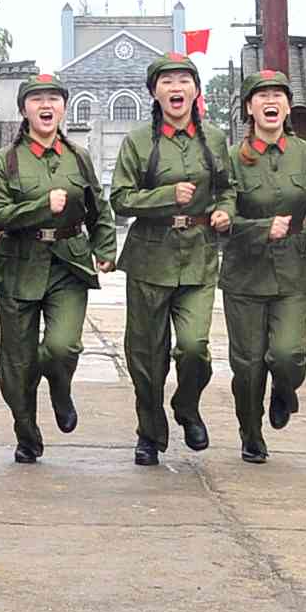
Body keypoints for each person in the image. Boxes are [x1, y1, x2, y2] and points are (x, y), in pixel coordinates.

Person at [0, 70, 116, 463]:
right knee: (17, 363)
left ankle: (60, 386)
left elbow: (98, 208)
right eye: (37, 99)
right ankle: (26, 433)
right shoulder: (5, 161)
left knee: (62, 347)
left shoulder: (78, 157)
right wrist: (41, 207)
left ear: (63, 107)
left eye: (54, 99)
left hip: (69, 264)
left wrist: (104, 246)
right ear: (24, 109)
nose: (46, 105)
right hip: (19, 266)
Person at [110, 51, 233, 466]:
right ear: (154, 92)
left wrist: (225, 212)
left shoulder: (214, 139)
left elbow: (228, 188)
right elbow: (120, 200)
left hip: (198, 256)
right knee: (147, 358)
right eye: (167, 81)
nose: (176, 88)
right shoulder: (138, 142)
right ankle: (149, 432)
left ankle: (187, 404)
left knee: (195, 348)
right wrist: (166, 197)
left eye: (184, 80)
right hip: (149, 258)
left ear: (196, 91)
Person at [220, 71, 306, 465]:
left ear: (287, 106)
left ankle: (285, 389)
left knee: (288, 353)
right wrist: (260, 227)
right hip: (245, 272)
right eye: (261, 95)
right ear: (249, 108)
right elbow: (225, 213)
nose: (271, 101)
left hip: (294, 268)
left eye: (278, 95)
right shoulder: (232, 158)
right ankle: (251, 433)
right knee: (247, 364)